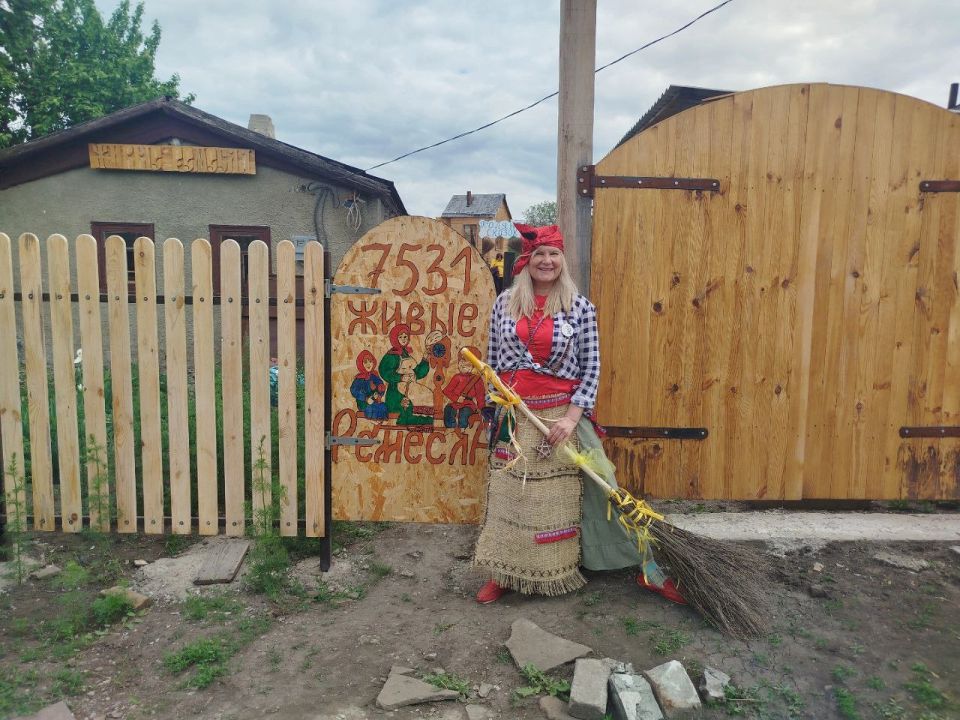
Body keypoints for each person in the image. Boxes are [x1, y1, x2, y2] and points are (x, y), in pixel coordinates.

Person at [472, 223, 684, 605]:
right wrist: (495, 409)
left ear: (562, 260)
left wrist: (571, 419)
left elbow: (592, 367)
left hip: (562, 414)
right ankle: (505, 573)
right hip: (516, 415)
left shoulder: (579, 307)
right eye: (540, 254)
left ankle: (647, 570)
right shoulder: (505, 304)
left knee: (604, 487)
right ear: (527, 260)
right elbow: (492, 361)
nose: (547, 261)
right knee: (513, 497)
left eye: (554, 254)